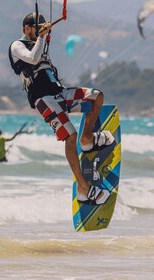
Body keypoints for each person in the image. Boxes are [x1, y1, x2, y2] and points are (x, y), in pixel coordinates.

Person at [8, 12, 115, 205]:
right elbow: (32, 59)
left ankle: (88, 139)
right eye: (36, 28)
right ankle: (83, 188)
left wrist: (43, 34)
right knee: (69, 136)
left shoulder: (39, 42)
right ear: (26, 28)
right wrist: (42, 35)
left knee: (96, 97)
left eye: (41, 28)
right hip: (44, 100)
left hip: (60, 94)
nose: (40, 31)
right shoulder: (17, 45)